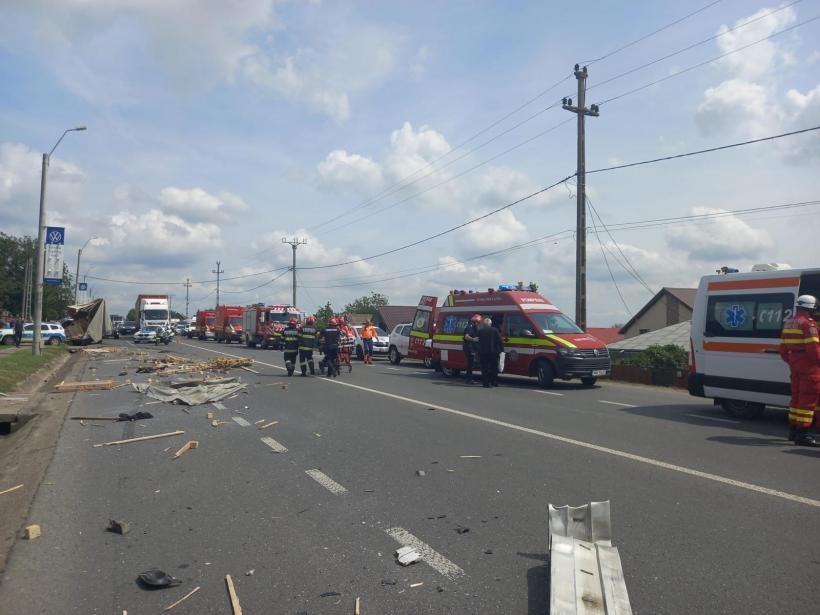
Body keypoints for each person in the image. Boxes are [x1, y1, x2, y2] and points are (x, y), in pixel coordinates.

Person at [779, 294, 820, 447]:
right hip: (810, 368)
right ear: (811, 309)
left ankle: (793, 431)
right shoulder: (809, 325)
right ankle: (803, 435)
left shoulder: (789, 323)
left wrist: (794, 362)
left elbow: (783, 350)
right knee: (807, 401)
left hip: (795, 366)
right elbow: (815, 351)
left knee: (796, 399)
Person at [477, 317, 503, 388]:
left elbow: (477, 340)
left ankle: (486, 383)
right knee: (494, 368)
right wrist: (501, 350)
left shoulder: (480, 331)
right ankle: (494, 382)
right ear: (490, 324)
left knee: (484, 368)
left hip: (483, 352)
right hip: (493, 352)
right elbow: (500, 341)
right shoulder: (495, 330)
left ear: (484, 324)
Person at [462, 314, 481, 384]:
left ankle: (469, 378)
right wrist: (473, 339)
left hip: (472, 347)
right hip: (469, 348)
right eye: (478, 322)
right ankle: (469, 379)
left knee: (471, 363)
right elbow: (466, 336)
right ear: (474, 321)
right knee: (470, 364)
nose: (478, 324)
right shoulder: (469, 327)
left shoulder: (475, 328)